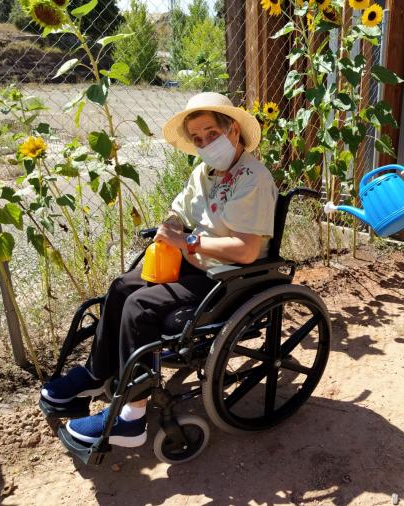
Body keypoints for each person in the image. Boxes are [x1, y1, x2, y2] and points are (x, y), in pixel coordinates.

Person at [40, 92, 278, 446]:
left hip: (228, 278)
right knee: (122, 287)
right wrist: (170, 227)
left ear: (233, 131)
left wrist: (188, 243)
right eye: (197, 139)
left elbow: (245, 251)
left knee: (141, 307)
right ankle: (96, 373)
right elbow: (178, 212)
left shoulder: (253, 178)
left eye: (211, 133)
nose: (204, 143)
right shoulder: (204, 172)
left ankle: (132, 419)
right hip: (193, 263)